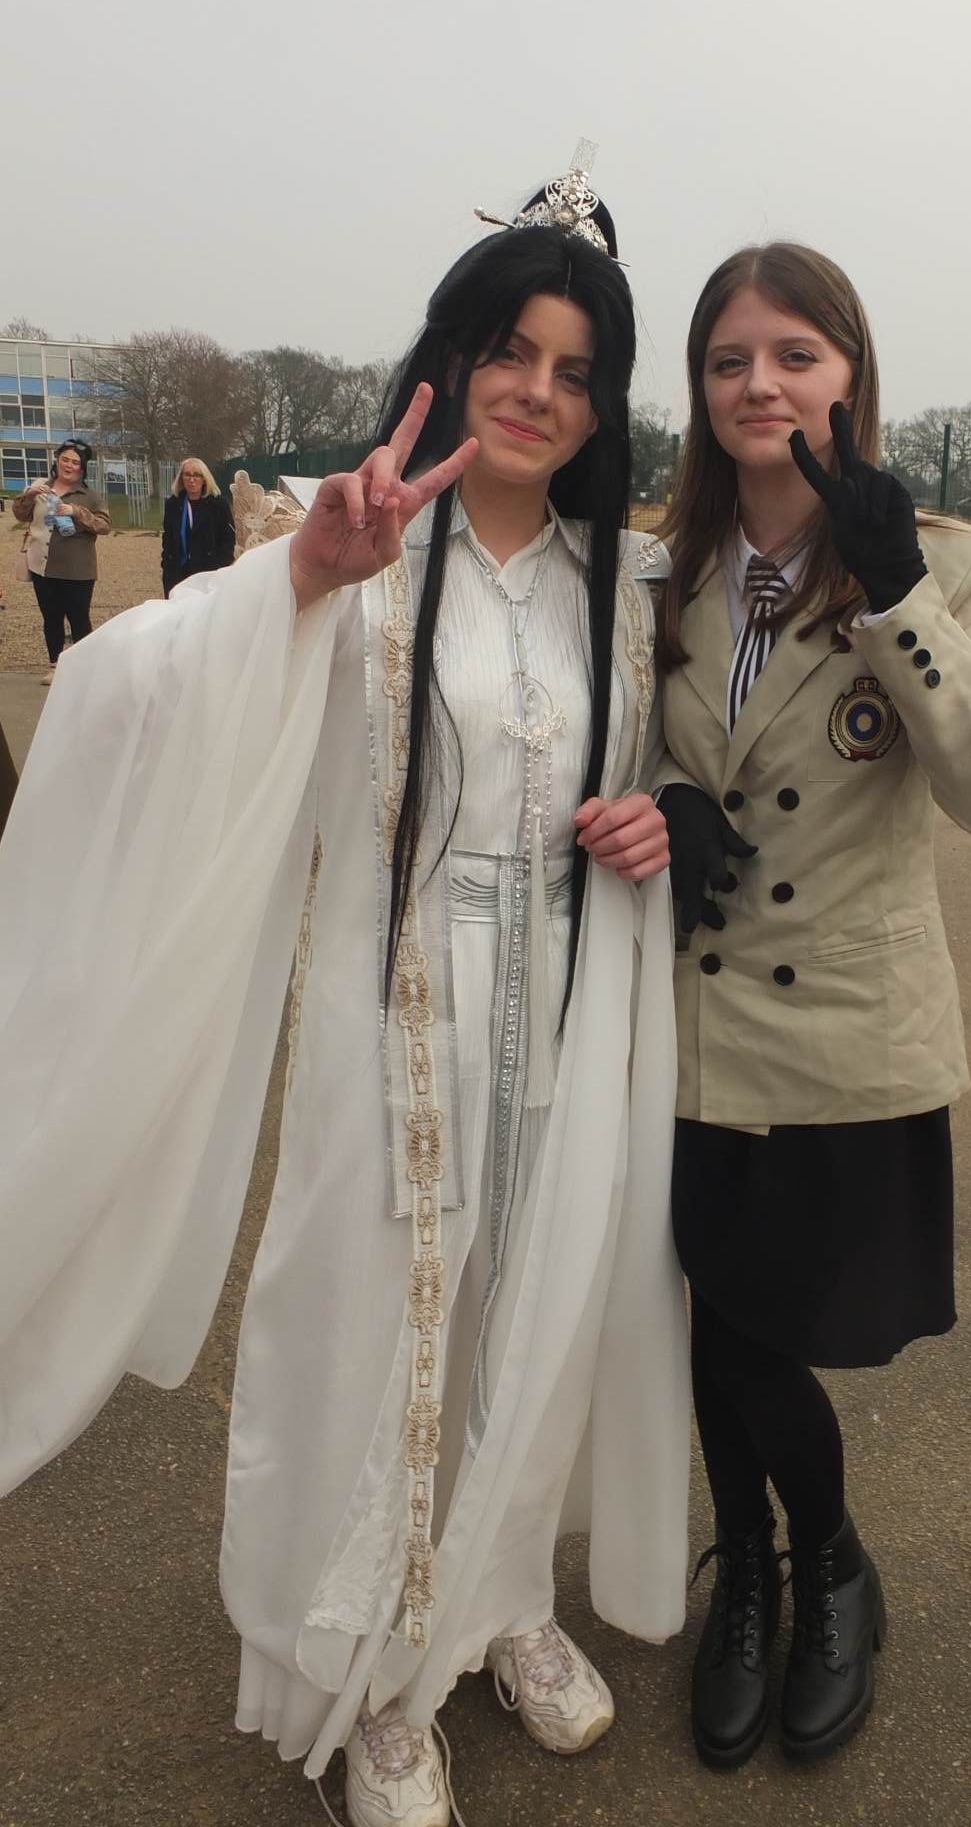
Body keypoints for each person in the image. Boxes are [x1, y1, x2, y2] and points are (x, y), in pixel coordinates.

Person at [0, 168, 690, 1827]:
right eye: (511, 350)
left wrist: (658, 818)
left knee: (539, 1304)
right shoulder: (349, 528)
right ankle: (366, 1672)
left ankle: (499, 1596)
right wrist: (299, 584)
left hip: (571, 1016)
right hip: (393, 1017)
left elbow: (656, 768)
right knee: (366, 1323)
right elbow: (126, 689)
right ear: (451, 356)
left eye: (577, 369)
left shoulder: (624, 579)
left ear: (605, 404)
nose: (537, 391)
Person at [654, 243, 971, 1768]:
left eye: (795, 354)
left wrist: (897, 593)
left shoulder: (952, 560)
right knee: (708, 1318)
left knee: (763, 1331)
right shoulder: (666, 567)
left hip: (841, 1031)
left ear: (851, 376)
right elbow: (632, 741)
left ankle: (829, 1565)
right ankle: (748, 1579)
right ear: (700, 387)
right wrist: (668, 792)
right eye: (729, 358)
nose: (761, 383)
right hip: (686, 1025)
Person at [11, 439, 111, 682]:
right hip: (43, 566)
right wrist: (29, 495)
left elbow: (105, 526)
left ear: (82, 468)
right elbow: (20, 514)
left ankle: (83, 669)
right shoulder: (41, 488)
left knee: (79, 619)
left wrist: (76, 512)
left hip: (77, 570)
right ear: (56, 461)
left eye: (75, 462)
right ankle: (55, 666)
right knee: (51, 618)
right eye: (65, 459)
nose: (69, 465)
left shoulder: (89, 495)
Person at [162, 457, 236, 595]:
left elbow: (228, 540)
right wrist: (167, 570)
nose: (192, 480)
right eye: (187, 475)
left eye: (196, 475)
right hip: (180, 573)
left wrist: (220, 569)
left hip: (209, 572)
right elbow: (168, 541)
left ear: (204, 479)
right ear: (181, 478)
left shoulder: (218, 505)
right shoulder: (173, 505)